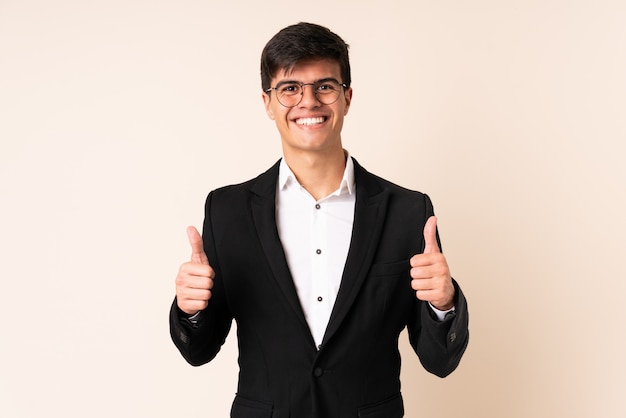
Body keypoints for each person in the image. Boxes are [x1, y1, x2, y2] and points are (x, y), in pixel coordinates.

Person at [170, 22, 469, 418]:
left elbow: (440, 360)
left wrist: (443, 304)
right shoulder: (227, 211)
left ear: (346, 97)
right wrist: (190, 309)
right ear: (267, 102)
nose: (308, 101)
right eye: (290, 88)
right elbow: (198, 350)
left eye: (324, 86)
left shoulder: (408, 212)